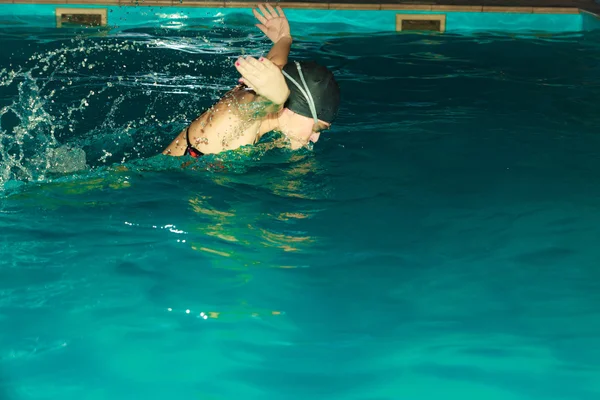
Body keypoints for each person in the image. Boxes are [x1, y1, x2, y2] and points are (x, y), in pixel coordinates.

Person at [162, 3, 340, 158]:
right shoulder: (250, 109)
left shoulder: (261, 94)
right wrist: (278, 96)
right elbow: (269, 101)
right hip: (173, 186)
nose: (315, 138)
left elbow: (277, 63)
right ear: (293, 107)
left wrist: (284, 39)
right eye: (317, 128)